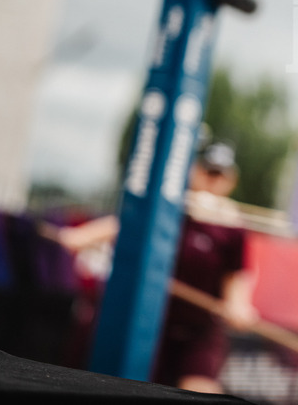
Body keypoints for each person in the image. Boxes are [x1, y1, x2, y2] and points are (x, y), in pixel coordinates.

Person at [56, 141, 257, 394]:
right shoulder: (171, 208)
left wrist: (238, 305)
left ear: (231, 181)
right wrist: (83, 236)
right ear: (194, 171)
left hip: (200, 331)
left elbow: (237, 278)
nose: (212, 181)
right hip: (153, 324)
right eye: (208, 172)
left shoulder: (233, 227)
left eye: (220, 175)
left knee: (201, 392)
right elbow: (128, 225)